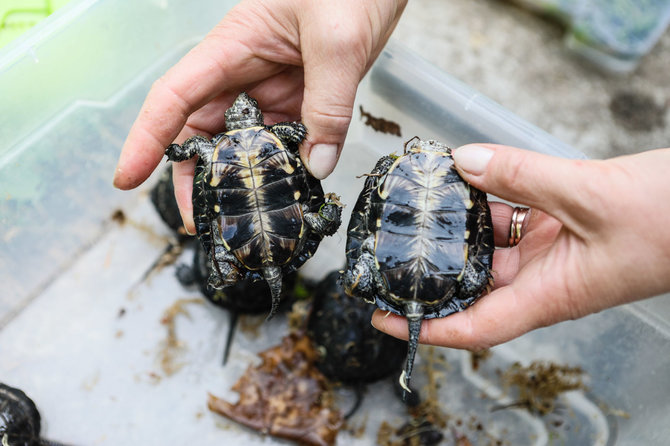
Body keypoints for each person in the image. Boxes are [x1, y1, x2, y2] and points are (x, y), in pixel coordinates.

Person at [113, 0, 670, 351]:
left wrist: (178, 148)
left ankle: (280, 256)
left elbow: (193, 161)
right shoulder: (272, 138)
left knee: (286, 239)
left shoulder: (209, 155)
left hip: (265, 228)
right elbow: (322, 172)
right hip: (314, 230)